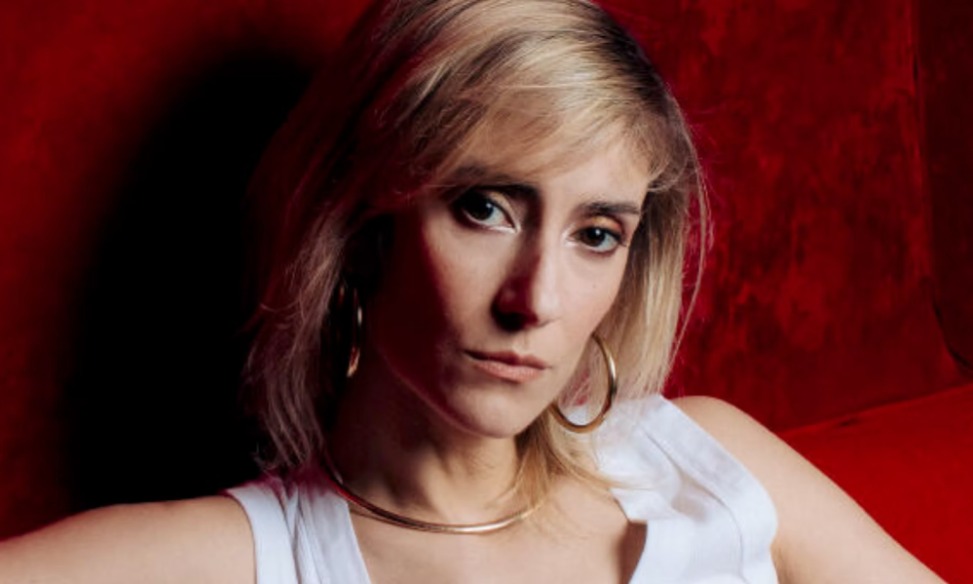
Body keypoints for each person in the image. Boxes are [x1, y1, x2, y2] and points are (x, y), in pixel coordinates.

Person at [0, 0, 945, 582]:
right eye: (484, 207)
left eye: (596, 234)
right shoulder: (238, 556)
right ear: (361, 222)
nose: (536, 299)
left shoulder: (703, 464)